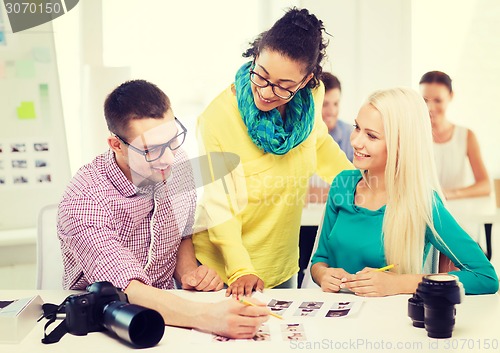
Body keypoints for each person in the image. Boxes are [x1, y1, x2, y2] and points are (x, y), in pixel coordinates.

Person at [57, 80, 269, 338]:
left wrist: (189, 273)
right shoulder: (84, 200)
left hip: (173, 311)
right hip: (104, 321)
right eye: (152, 150)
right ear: (116, 145)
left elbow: (181, 235)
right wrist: (208, 316)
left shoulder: (172, 161)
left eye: (172, 141)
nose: (169, 158)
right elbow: (128, 289)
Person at [193, 7, 352, 297]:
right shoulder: (217, 119)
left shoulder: (312, 98)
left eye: (284, 86)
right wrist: (240, 269)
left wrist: (360, 186)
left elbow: (318, 144)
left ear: (305, 82)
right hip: (225, 269)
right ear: (255, 57)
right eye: (262, 76)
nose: (266, 92)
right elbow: (220, 205)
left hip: (282, 264)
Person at [310, 87, 499, 296]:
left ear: (401, 144)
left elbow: (485, 277)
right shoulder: (342, 184)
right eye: (357, 127)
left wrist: (399, 284)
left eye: (371, 136)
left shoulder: (423, 203)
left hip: (390, 323)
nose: (355, 141)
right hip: (336, 318)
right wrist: (322, 275)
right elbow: (320, 259)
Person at [419, 71, 491, 200]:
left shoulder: (466, 136)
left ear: (450, 96)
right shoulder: (414, 136)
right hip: (425, 213)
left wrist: (449, 194)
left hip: (460, 214)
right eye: (424, 100)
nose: (430, 107)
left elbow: (485, 185)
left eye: (438, 100)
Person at [320, 72, 353, 161]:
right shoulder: (299, 138)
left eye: (336, 104)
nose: (332, 111)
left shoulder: (351, 136)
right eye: (324, 104)